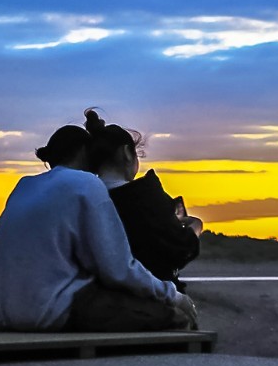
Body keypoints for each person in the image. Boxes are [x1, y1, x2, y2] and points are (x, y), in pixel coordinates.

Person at [0, 124, 197, 332]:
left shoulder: (24, 185)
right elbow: (119, 270)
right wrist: (174, 295)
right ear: (85, 152)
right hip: (47, 310)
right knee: (174, 317)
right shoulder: (85, 184)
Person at [83, 109, 202, 290]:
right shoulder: (143, 196)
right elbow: (179, 248)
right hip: (151, 298)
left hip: (97, 297)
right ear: (127, 153)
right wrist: (195, 227)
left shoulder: (82, 197)